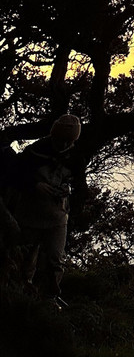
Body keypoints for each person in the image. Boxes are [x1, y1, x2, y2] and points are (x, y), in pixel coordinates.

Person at [10, 115, 86, 308]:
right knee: (24, 257)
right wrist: (35, 185)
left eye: (69, 141)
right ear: (54, 135)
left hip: (58, 216)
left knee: (55, 259)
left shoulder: (76, 157)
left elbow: (81, 187)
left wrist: (69, 194)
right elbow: (15, 176)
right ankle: (19, 295)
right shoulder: (35, 151)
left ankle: (50, 299)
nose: (64, 144)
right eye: (61, 140)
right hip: (29, 215)